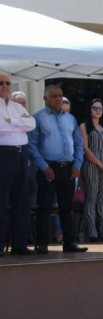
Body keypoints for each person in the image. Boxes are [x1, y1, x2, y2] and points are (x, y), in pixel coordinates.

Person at [27, 84, 87, 254]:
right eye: (54, 96)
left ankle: (70, 243)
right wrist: (44, 166)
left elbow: (78, 143)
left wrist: (77, 164)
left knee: (67, 207)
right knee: (45, 207)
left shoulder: (70, 119)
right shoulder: (38, 118)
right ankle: (42, 244)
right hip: (48, 169)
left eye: (60, 95)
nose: (58, 99)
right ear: (45, 99)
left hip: (68, 168)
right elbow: (32, 145)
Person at [0, 73, 36, 257]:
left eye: (7, 83)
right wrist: (18, 125)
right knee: (1, 199)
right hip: (3, 154)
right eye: (1, 83)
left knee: (22, 199)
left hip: (21, 154)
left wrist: (12, 122)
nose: (5, 86)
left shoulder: (16, 106)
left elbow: (31, 124)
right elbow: (1, 128)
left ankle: (19, 244)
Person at [79, 99, 103, 242]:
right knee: (91, 198)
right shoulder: (84, 126)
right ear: (89, 109)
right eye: (95, 108)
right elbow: (85, 148)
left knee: (102, 199)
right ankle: (92, 232)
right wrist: (100, 164)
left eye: (100, 108)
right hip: (92, 164)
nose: (98, 111)